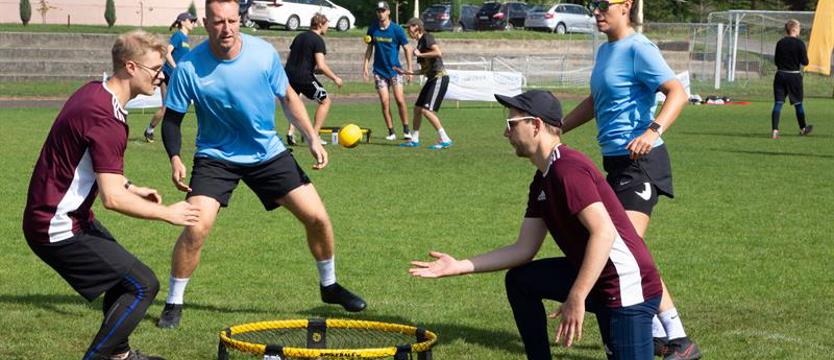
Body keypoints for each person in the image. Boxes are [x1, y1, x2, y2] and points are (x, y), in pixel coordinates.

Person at [156, 0, 366, 329]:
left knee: (318, 218)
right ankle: (173, 302)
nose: (226, 28)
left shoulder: (263, 53)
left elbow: (288, 97)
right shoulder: (189, 67)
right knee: (196, 228)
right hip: (216, 157)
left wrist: (311, 136)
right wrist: (175, 157)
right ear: (206, 23)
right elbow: (172, 120)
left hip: (267, 152)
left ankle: (329, 286)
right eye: (218, 22)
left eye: (231, 21)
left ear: (239, 20)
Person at [410, 90, 663, 360]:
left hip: (626, 286)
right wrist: (459, 266)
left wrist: (577, 295)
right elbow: (524, 249)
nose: (505, 133)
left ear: (536, 125)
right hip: (598, 278)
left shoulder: (568, 169)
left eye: (511, 124)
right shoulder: (543, 178)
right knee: (521, 281)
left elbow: (604, 233)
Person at [22, 30, 201, 360]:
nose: (162, 76)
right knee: (143, 284)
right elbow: (112, 199)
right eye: (155, 69)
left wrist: (131, 186)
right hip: (56, 226)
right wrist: (169, 213)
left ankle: (119, 354)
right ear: (130, 67)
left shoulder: (94, 92)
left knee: (124, 281)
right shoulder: (107, 117)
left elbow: (87, 162)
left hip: (62, 217)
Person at [559, 1, 700, 359]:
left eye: (603, 5)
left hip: (642, 163)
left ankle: (676, 337)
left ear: (626, 6)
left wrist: (652, 131)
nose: (596, 12)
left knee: (622, 249)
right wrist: (557, 128)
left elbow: (677, 92)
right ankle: (661, 335)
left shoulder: (639, 48)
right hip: (617, 165)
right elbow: (596, 101)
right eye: (593, 6)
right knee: (627, 251)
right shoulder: (607, 51)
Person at [285, 13, 344, 146]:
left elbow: (291, 59)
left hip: (289, 76)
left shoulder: (299, 36)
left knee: (295, 102)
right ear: (320, 25)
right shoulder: (318, 40)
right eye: (326, 24)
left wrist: (310, 70)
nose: (327, 27)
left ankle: (290, 132)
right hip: (304, 77)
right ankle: (314, 136)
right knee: (325, 101)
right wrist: (335, 78)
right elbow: (321, 66)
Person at [397, 18, 453, 150]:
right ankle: (414, 139)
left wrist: (421, 54)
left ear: (417, 27)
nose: (408, 31)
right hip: (431, 78)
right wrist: (407, 72)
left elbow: (438, 52)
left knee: (426, 111)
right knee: (417, 109)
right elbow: (424, 70)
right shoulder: (420, 45)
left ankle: (445, 139)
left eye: (409, 27)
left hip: (439, 77)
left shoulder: (427, 38)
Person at [143, 12, 197, 143]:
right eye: (191, 21)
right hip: (167, 74)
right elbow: (167, 52)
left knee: (176, 105)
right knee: (166, 107)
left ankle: (171, 130)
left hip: (175, 76)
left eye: (194, 21)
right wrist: (175, 67)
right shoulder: (178, 36)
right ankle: (149, 130)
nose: (193, 23)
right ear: (182, 22)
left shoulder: (185, 38)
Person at [362, 1, 413, 141]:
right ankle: (391, 132)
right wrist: (365, 66)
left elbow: (407, 48)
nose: (380, 13)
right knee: (385, 102)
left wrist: (409, 69)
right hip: (379, 72)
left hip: (395, 70)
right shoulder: (373, 29)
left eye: (383, 11)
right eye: (378, 11)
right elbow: (369, 48)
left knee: (400, 100)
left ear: (388, 12)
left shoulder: (397, 29)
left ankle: (406, 129)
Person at [771, 19, 813, 139]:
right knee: (798, 104)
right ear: (794, 29)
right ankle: (803, 128)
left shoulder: (780, 43)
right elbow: (805, 62)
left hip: (780, 75)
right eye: (799, 27)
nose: (800, 29)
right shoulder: (799, 43)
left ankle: (775, 130)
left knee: (778, 103)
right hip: (794, 76)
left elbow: (776, 61)